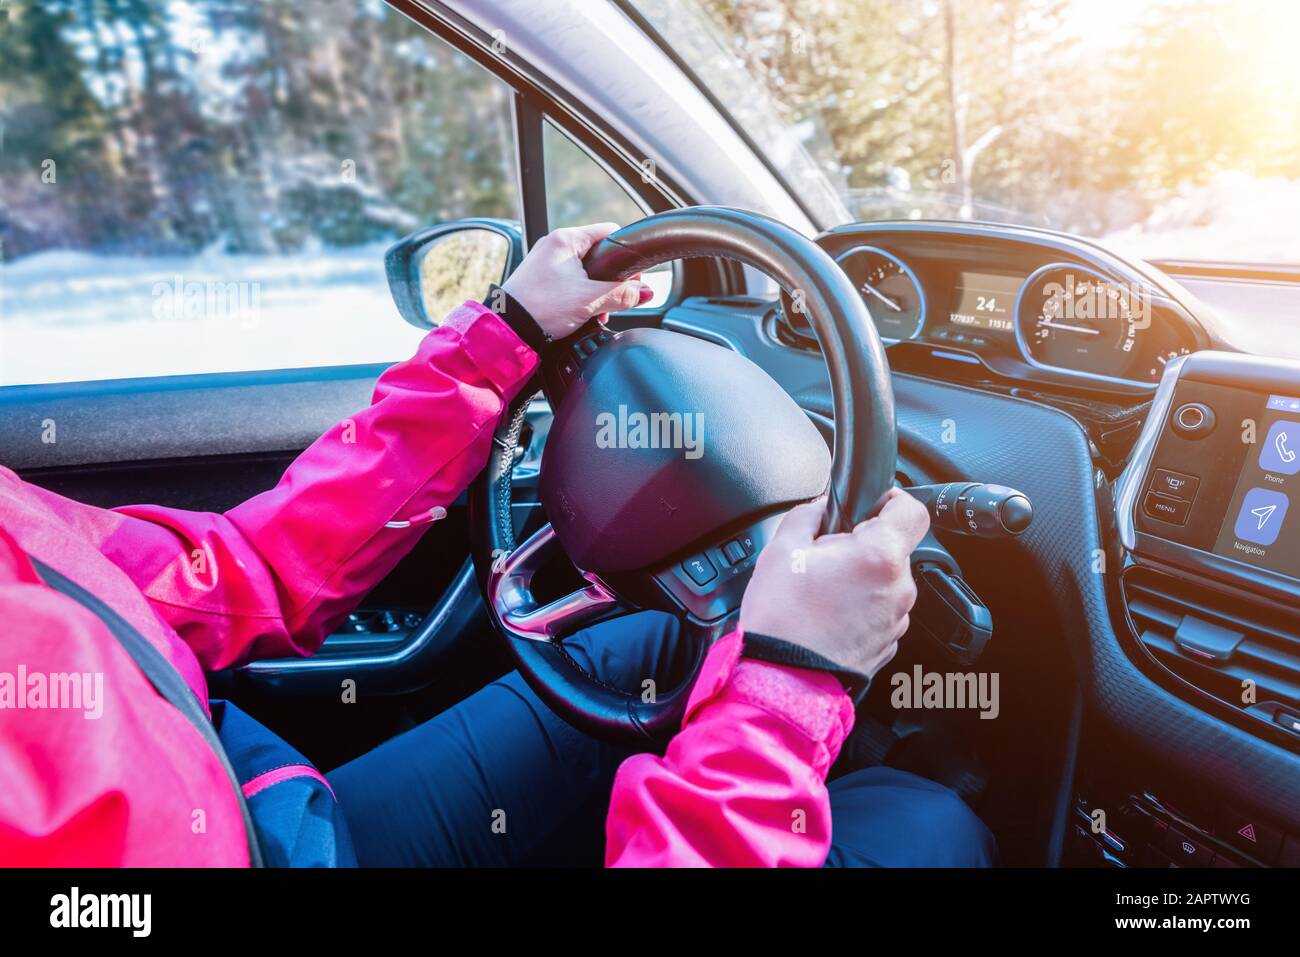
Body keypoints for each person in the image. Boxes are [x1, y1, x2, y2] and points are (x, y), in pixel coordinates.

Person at [0, 223, 993, 867]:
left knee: (656, 647)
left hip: (271, 823)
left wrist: (506, 335)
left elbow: (229, 581)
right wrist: (785, 685)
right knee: (927, 829)